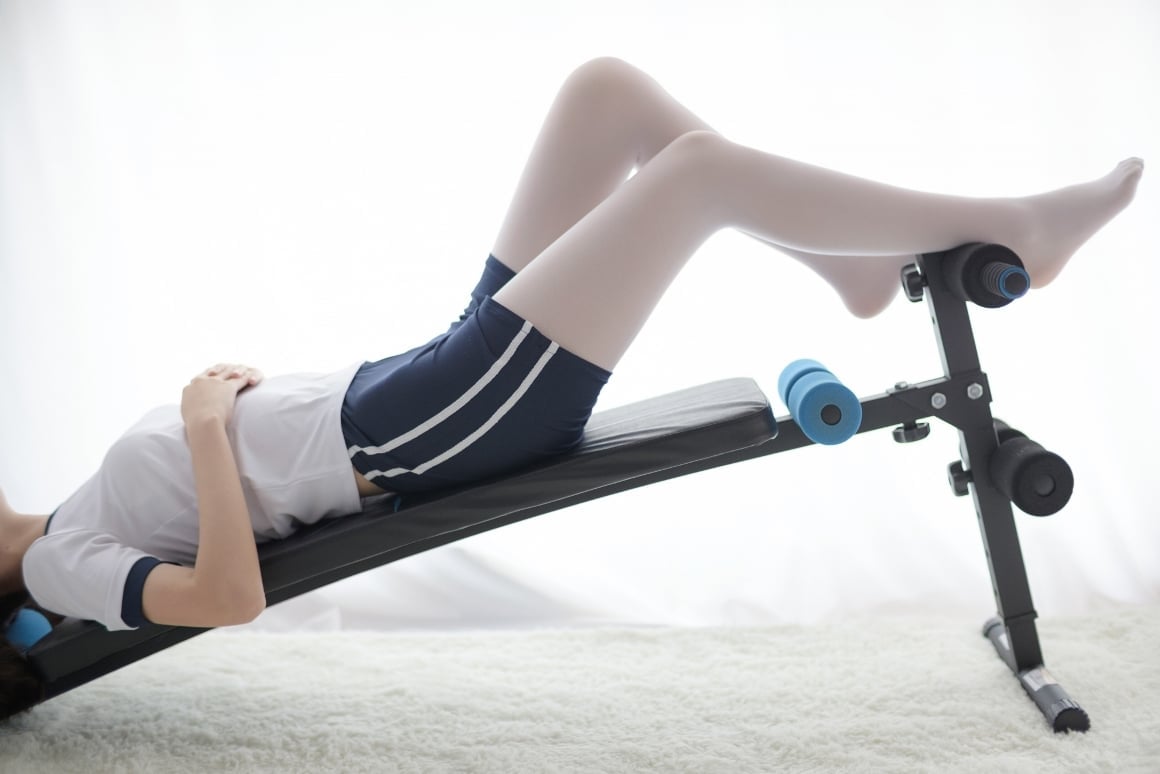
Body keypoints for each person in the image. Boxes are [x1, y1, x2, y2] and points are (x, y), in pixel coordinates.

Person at [0, 56, 1143, 719]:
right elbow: (227, 598)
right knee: (696, 178)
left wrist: (229, 412)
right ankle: (1017, 228)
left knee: (604, 95)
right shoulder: (58, 566)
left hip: (416, 384)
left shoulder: (73, 516)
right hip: (426, 433)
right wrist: (207, 427)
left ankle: (842, 266)